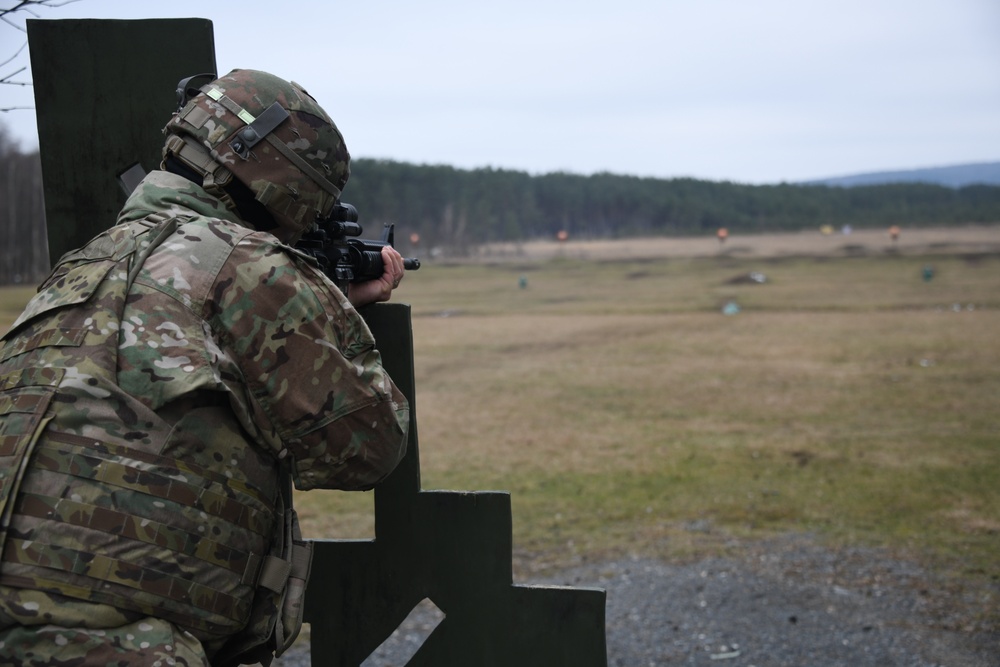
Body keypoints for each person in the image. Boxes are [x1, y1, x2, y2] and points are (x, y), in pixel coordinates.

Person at [0, 69, 409, 666]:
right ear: (285, 187)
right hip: (112, 643)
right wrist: (332, 311)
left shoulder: (83, 262)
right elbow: (369, 444)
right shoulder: (253, 268)